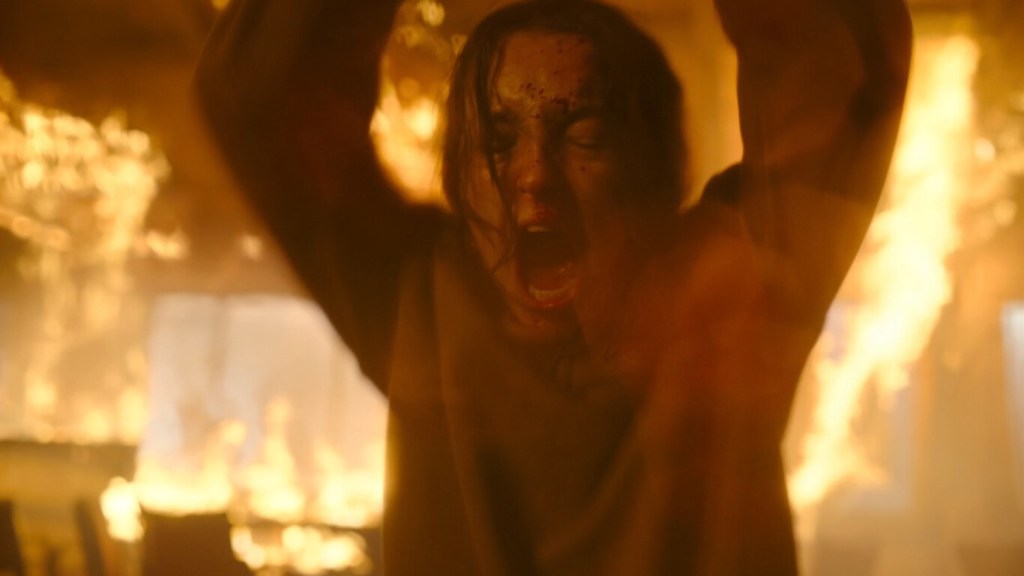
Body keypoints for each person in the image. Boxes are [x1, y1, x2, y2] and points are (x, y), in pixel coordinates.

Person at [195, 0, 911, 573]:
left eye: (585, 136)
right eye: (499, 141)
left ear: (651, 167)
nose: (534, 177)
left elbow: (837, 66)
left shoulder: (729, 292)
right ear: (460, 171)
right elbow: (264, 98)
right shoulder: (427, 303)